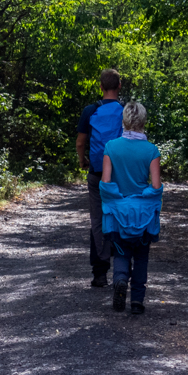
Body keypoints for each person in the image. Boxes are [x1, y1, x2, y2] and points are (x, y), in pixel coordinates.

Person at [99, 102, 163, 314]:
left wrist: (119, 201)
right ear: (143, 121)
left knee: (121, 253)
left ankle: (119, 280)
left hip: (118, 214)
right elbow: (155, 187)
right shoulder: (151, 150)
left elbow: (106, 183)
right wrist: (140, 198)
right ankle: (137, 301)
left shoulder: (111, 147)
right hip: (143, 215)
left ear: (124, 121)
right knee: (142, 255)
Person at [75, 69, 123, 287]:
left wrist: (82, 161)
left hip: (96, 173)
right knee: (121, 216)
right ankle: (123, 269)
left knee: (97, 219)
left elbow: (80, 142)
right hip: (121, 174)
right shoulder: (127, 111)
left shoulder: (90, 110)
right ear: (119, 86)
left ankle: (100, 273)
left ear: (101, 87)